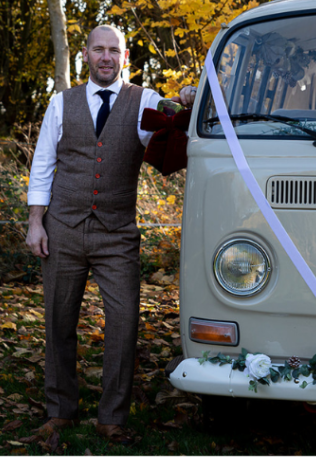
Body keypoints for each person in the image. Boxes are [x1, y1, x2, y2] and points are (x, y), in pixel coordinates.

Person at [25, 25, 196, 441]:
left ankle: (112, 419)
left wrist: (190, 98)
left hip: (117, 234)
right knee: (57, 321)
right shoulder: (61, 103)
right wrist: (35, 222)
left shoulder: (145, 102)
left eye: (114, 50)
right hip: (62, 229)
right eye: (99, 50)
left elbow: (177, 121)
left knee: (123, 323)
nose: (106, 57)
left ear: (125, 57)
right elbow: (43, 164)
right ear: (85, 55)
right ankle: (59, 410)